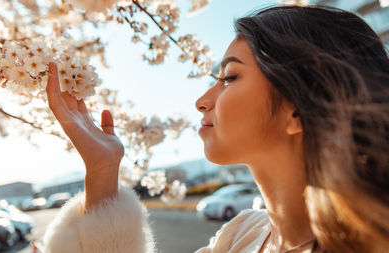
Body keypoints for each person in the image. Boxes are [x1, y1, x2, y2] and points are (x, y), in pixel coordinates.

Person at [42, 5, 389, 253]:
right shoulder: (240, 236)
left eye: (230, 78)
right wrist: (102, 172)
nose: (202, 101)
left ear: (298, 105)